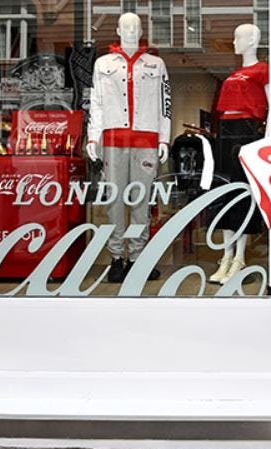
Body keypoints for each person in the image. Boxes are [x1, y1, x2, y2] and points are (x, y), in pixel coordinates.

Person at [86, 12, 171, 283]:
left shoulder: (156, 64)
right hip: (112, 140)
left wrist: (163, 139)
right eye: (126, 26)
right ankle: (115, 258)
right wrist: (93, 137)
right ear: (118, 31)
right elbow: (96, 102)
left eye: (136, 26)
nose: (132, 30)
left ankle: (136, 258)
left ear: (142, 29)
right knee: (114, 202)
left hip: (146, 140)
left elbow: (165, 103)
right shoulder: (103, 64)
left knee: (140, 202)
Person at [208, 23, 270, 285]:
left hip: (246, 133)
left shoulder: (261, 70)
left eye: (238, 37)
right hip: (225, 134)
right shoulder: (234, 73)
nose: (234, 42)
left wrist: (266, 139)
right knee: (225, 195)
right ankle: (226, 256)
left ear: (253, 40)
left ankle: (240, 258)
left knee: (243, 195)